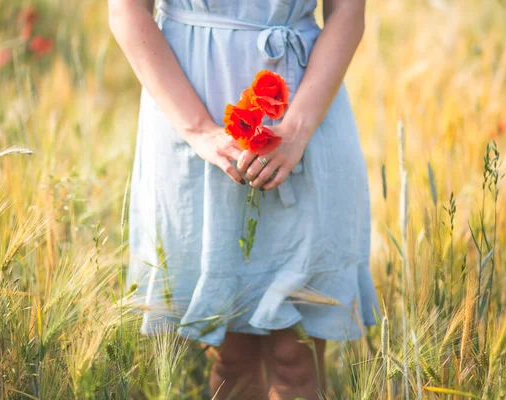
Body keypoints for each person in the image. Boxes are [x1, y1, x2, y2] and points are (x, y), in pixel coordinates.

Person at [109, 0, 381, 398]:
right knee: (232, 357)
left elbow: (347, 12)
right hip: (190, 109)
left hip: (306, 107)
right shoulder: (196, 127)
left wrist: (296, 130)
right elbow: (127, 11)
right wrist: (199, 130)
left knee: (296, 358)